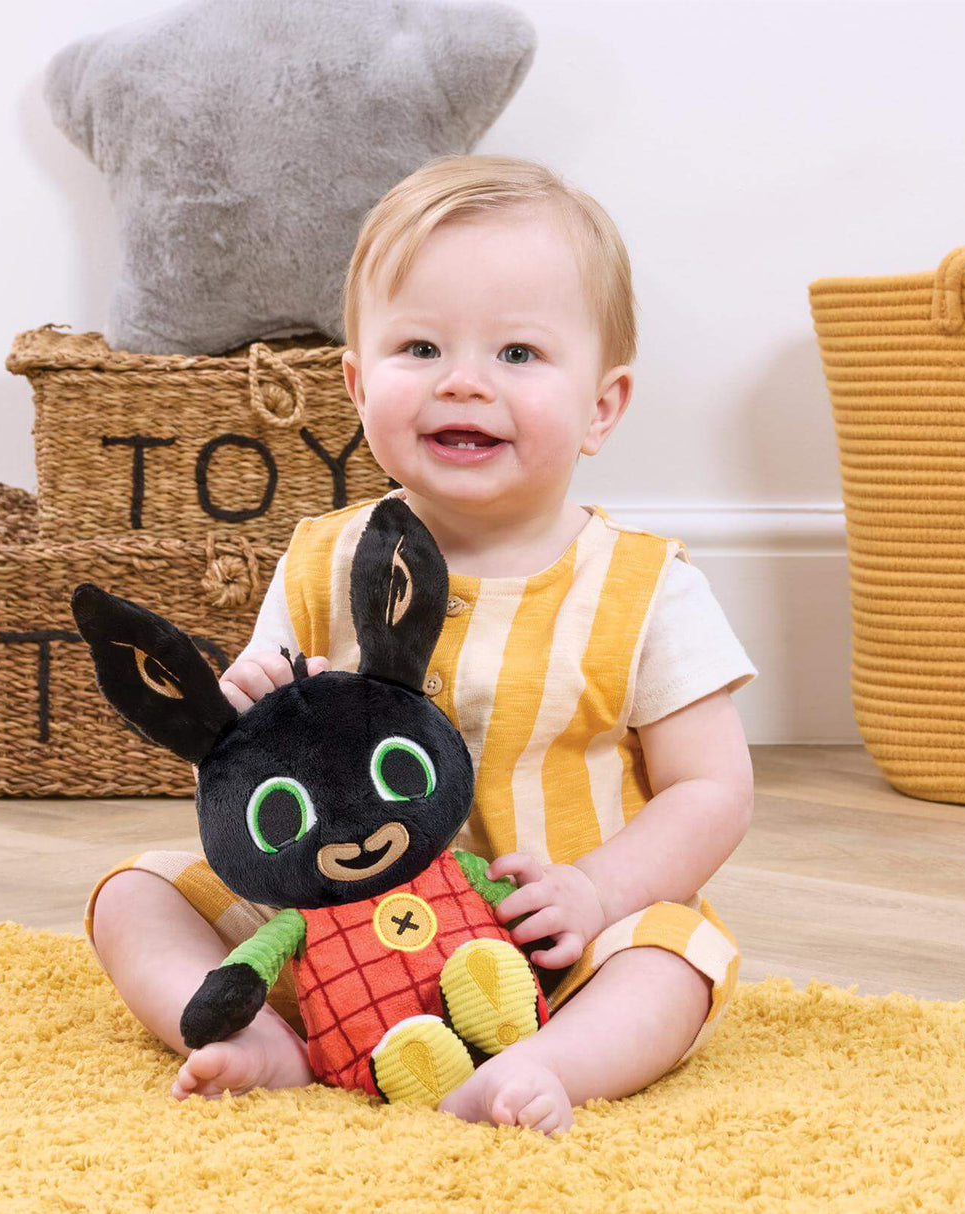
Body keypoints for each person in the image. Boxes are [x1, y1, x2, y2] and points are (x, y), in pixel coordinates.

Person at [87, 154, 758, 1135]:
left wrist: (595, 889)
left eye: (517, 354)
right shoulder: (323, 557)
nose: (463, 384)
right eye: (419, 347)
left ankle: (545, 1060)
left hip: (549, 945)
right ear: (358, 384)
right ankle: (263, 1033)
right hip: (334, 934)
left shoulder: (646, 587)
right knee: (134, 893)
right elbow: (254, 734)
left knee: (672, 956)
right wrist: (248, 699)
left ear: (601, 406)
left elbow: (712, 788)